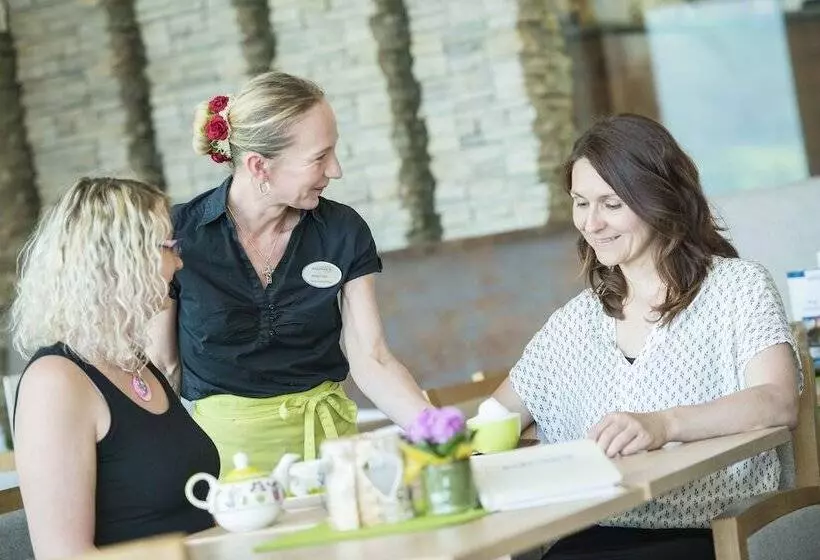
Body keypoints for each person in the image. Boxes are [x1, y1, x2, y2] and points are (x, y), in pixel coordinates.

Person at [492, 114, 801, 560]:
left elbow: (777, 401)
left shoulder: (738, 287)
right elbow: (492, 420)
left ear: (661, 199)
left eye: (611, 204)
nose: (591, 223)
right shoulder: (574, 323)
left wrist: (661, 424)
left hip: (716, 530)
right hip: (596, 534)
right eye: (581, 202)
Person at [147, 71, 429, 473]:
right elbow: (162, 363)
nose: (336, 170)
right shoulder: (178, 235)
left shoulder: (342, 231)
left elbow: (372, 358)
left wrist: (434, 430)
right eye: (319, 157)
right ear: (260, 166)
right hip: (224, 466)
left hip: (333, 455)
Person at [11, 178, 219, 559]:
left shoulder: (134, 363)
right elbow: (63, 555)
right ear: (121, 259)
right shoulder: (55, 383)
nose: (179, 262)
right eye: (168, 247)